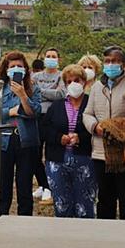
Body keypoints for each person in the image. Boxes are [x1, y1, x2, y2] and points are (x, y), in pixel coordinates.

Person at [82, 45, 125, 221]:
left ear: (123, 65)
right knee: (105, 198)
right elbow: (87, 113)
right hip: (102, 152)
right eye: (107, 61)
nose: (111, 64)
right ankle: (105, 235)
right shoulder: (95, 88)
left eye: (115, 61)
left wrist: (119, 128)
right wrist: (96, 127)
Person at [0, 51, 41, 217]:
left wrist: (23, 96)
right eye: (12, 66)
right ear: (6, 70)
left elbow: (34, 112)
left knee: (24, 187)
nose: (16, 69)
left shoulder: (34, 89)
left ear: (25, 69)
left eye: (20, 66)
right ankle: (1, 220)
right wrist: (11, 111)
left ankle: (24, 222)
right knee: (3, 187)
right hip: (3, 141)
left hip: (26, 141)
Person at [42, 65, 95, 218]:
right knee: (61, 203)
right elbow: (45, 129)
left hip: (85, 160)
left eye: (76, 80)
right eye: (69, 81)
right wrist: (59, 138)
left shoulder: (91, 103)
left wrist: (81, 137)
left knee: (85, 204)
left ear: (84, 82)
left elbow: (96, 128)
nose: (73, 84)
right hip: (57, 160)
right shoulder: (57, 106)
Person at [31, 48, 64, 201]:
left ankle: (51, 184)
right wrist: (49, 92)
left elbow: (61, 95)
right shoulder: (35, 76)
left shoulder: (62, 75)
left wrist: (40, 91)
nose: (51, 58)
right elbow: (31, 93)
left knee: (51, 154)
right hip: (37, 116)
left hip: (54, 118)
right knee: (35, 154)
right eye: (48, 56)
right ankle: (44, 185)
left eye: (54, 56)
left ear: (59, 59)